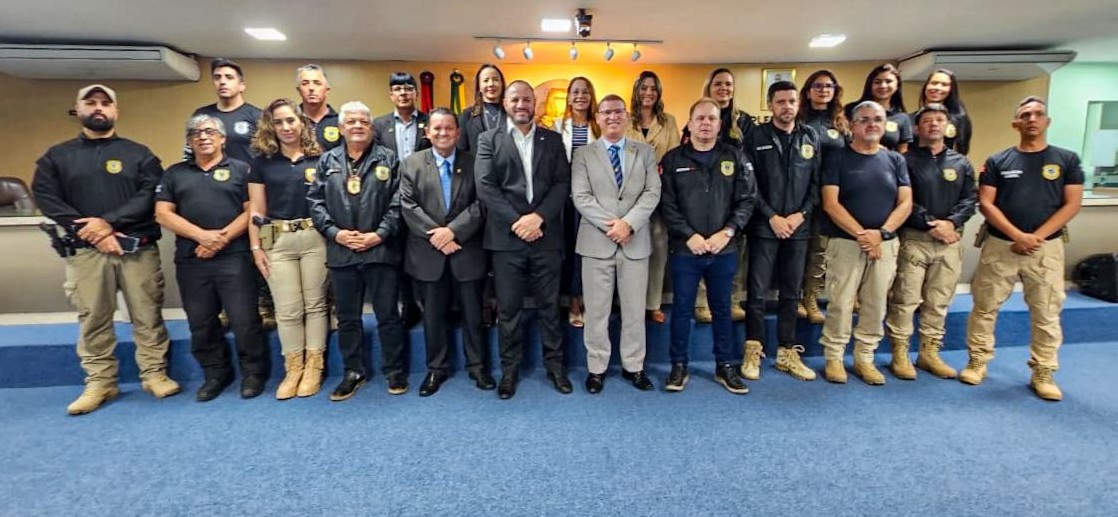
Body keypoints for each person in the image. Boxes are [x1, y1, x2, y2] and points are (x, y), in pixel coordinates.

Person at [32, 84, 181, 415]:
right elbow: (46, 198)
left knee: (147, 314)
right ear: (78, 109)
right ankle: (100, 382)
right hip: (86, 252)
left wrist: (108, 222)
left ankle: (154, 373)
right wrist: (94, 232)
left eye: (105, 103)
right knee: (93, 318)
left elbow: (149, 196)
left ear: (116, 111)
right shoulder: (57, 157)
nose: (98, 108)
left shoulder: (139, 154)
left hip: (136, 250)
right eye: (91, 103)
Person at [962, 96, 1083, 401]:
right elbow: (986, 203)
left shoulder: (1066, 160)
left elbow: (1072, 203)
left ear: (1047, 122)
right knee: (985, 307)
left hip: (1046, 249)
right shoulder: (998, 161)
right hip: (1001, 245)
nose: (1032, 119)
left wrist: (1036, 237)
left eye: (1038, 114)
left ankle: (1043, 370)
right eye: (1025, 115)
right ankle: (977, 360)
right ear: (1016, 123)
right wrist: (1017, 234)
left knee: (1046, 312)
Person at [155, 114, 268, 401]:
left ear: (222, 139)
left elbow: (252, 210)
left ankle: (253, 373)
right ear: (189, 141)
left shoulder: (241, 169)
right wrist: (202, 237)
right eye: (196, 133)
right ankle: (215, 373)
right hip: (193, 258)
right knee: (201, 321)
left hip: (235, 256)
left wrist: (220, 238)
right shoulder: (175, 173)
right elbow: (163, 213)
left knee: (244, 319)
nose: (203, 137)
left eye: (209, 132)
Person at [474, 80, 572, 400]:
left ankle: (555, 367)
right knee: (509, 310)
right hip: (506, 240)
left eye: (527, 99)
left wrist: (538, 218)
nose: (521, 104)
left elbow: (562, 184)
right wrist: (518, 222)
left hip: (546, 237)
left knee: (549, 308)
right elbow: (486, 187)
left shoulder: (554, 140)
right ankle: (510, 370)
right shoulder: (489, 140)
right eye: (515, 99)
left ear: (535, 104)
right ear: (505, 103)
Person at [307, 101, 407, 402]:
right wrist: (336, 234)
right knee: (348, 317)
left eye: (363, 121)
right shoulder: (326, 162)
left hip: (380, 250)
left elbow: (398, 202)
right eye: (351, 121)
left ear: (371, 126)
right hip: (342, 252)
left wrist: (379, 235)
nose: (358, 126)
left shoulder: (389, 159)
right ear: (340, 128)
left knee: (388, 314)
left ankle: (394, 369)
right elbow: (315, 203)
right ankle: (353, 371)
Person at [659, 97, 757, 394]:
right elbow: (667, 203)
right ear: (689, 123)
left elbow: (747, 199)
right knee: (683, 311)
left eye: (711, 119)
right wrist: (689, 235)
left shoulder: (735, 157)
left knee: (722, 310)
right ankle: (679, 366)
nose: (705, 123)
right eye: (699, 118)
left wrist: (727, 232)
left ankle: (725, 366)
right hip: (686, 250)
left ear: (719, 124)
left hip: (723, 249)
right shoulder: (673, 160)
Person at [398, 108, 493, 396]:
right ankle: (436, 369)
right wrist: (439, 236)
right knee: (433, 316)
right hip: (428, 254)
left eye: (448, 128)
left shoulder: (474, 162)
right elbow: (407, 205)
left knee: (473, 314)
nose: (442, 133)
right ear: (427, 132)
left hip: (466, 250)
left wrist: (453, 232)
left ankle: (478, 366)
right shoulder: (411, 164)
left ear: (458, 132)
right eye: (436, 128)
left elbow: (482, 203)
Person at [571, 94, 661, 394]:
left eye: (618, 112)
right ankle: (596, 368)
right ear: (597, 117)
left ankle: (633, 367)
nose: (612, 117)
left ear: (626, 116)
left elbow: (652, 192)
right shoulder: (583, 155)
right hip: (596, 243)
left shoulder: (645, 152)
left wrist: (629, 224)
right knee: (596, 311)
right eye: (606, 112)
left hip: (635, 243)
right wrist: (614, 226)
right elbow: (581, 197)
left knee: (634, 311)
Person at [818, 101, 912, 385]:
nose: (872, 124)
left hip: (885, 243)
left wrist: (880, 234)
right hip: (846, 243)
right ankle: (834, 357)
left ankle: (864, 358)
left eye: (878, 119)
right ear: (852, 125)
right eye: (864, 120)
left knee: (876, 303)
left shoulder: (896, 160)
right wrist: (863, 234)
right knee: (841, 302)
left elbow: (906, 202)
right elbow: (830, 203)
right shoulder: (837, 158)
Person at [884, 103, 977, 381]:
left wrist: (950, 223)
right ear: (916, 128)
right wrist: (930, 223)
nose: (933, 125)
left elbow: (970, 199)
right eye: (927, 121)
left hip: (949, 241)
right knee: (905, 299)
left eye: (939, 120)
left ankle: (929, 353)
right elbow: (902, 200)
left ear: (948, 126)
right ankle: (900, 354)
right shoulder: (904, 161)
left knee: (938, 301)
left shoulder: (961, 163)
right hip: (914, 238)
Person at [247, 98, 329, 399]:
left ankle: (313, 367)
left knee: (316, 305)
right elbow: (256, 209)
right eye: (278, 122)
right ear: (271, 126)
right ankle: (293, 368)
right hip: (277, 240)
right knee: (288, 310)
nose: (285, 127)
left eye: (290, 120)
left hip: (314, 238)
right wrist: (256, 248)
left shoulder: (319, 158)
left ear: (301, 122)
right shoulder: (262, 162)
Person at [740, 81, 821, 382]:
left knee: (791, 293)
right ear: (770, 105)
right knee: (757, 293)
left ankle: (787, 351)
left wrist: (800, 216)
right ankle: (754, 349)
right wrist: (772, 216)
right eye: (780, 101)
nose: (786, 106)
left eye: (791, 101)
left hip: (799, 228)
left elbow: (817, 185)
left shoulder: (810, 136)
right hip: (764, 226)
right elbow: (750, 185)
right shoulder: (755, 137)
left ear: (798, 104)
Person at [190, 58, 273, 328]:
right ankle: (228, 307)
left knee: (256, 248)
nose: (222, 81)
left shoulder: (256, 116)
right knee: (226, 252)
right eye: (217, 77)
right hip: (216, 194)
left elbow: (267, 155)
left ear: (241, 84)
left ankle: (264, 303)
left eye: (228, 77)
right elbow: (189, 154)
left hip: (253, 192)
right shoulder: (203, 116)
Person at [686, 68, 754, 323]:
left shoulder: (745, 122)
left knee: (735, 251)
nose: (723, 88)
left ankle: (733, 299)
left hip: (734, 195)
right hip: (702, 197)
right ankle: (702, 302)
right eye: (718, 84)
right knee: (702, 248)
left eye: (728, 84)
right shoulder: (695, 119)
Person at [372, 71, 431, 330]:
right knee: (399, 255)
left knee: (426, 254)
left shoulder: (431, 122)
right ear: (390, 94)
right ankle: (408, 305)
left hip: (427, 200)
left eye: (408, 88)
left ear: (416, 93)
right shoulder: (379, 125)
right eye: (397, 89)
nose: (403, 93)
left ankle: (434, 306)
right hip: (392, 200)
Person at [626, 71, 681, 324]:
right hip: (629, 195)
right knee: (631, 249)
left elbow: (674, 155)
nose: (648, 93)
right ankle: (630, 303)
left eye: (653, 88)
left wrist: (660, 169)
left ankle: (653, 304)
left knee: (658, 246)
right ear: (636, 91)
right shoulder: (625, 120)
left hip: (660, 192)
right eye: (643, 88)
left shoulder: (668, 121)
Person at [797, 69, 851, 325]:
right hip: (799, 194)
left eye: (828, 86)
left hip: (830, 197)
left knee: (819, 251)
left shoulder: (841, 123)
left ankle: (811, 296)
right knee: (795, 250)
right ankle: (795, 296)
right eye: (817, 86)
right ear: (808, 91)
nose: (823, 90)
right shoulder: (798, 120)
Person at [554, 76, 601, 328]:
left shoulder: (599, 126)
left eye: (585, 91)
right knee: (571, 251)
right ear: (569, 97)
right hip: (566, 200)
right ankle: (574, 301)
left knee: (591, 252)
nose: (580, 96)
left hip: (594, 200)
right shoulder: (557, 125)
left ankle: (592, 300)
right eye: (575, 92)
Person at [846, 64, 912, 153]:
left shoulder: (902, 117)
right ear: (870, 85)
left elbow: (902, 150)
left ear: (897, 86)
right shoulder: (851, 109)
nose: (883, 86)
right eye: (877, 82)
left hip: (886, 164)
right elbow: (844, 139)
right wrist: (872, 147)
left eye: (888, 81)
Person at [915, 69, 972, 155]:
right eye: (934, 83)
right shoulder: (911, 118)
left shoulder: (959, 118)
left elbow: (961, 152)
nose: (937, 88)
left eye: (944, 85)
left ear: (951, 90)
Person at [457, 64, 506, 155]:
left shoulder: (512, 115)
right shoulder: (467, 116)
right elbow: (461, 151)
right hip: (476, 168)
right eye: (486, 80)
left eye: (495, 79)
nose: (491, 84)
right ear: (479, 87)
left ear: (502, 84)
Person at [295, 64, 341, 152]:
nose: (311, 88)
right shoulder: (290, 121)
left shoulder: (340, 122)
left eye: (317, 83)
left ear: (327, 90)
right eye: (305, 83)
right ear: (299, 90)